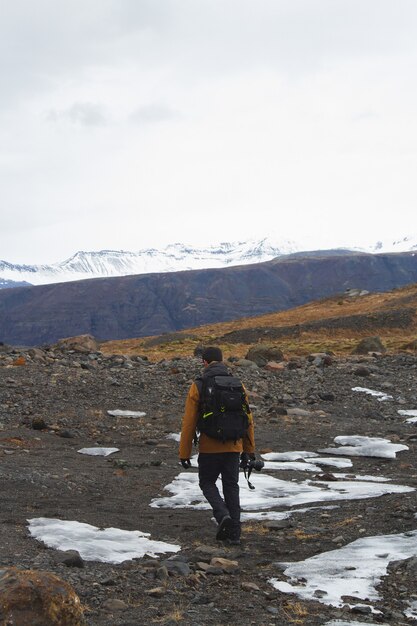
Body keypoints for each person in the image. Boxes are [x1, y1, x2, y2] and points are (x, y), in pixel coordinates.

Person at [179, 346, 256, 545]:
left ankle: (222, 516)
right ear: (222, 361)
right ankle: (235, 534)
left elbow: (189, 422)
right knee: (231, 486)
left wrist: (184, 453)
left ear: (204, 362)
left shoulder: (199, 384)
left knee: (207, 482)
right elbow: (248, 419)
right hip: (234, 446)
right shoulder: (238, 384)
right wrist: (249, 450)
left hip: (209, 446)